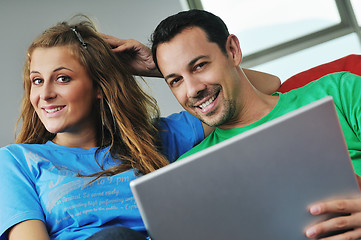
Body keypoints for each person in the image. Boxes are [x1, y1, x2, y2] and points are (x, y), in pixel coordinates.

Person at [0, 16, 280, 240]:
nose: (44, 94)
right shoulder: (17, 161)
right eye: (37, 81)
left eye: (62, 78)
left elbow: (264, 87)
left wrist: (161, 68)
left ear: (99, 85)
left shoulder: (151, 141)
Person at [149, 9, 361, 239]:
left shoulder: (340, 91)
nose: (192, 90)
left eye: (199, 65)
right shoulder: (186, 173)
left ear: (232, 51)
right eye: (176, 80)